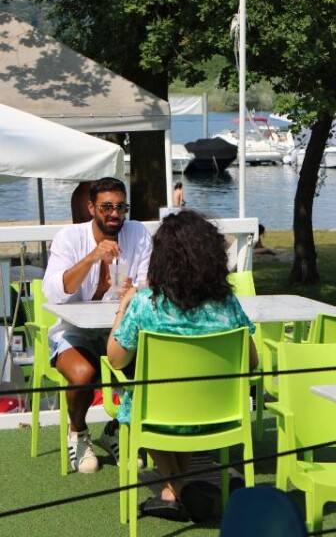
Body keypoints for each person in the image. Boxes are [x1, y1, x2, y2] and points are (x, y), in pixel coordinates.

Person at [107, 209, 258, 522]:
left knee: (143, 399)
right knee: (169, 400)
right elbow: (252, 360)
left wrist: (122, 307)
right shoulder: (228, 305)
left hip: (158, 415)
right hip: (217, 414)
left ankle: (176, 485)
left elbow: (116, 359)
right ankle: (174, 488)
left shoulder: (145, 305)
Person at [43, 177, 153, 474]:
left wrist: (135, 290)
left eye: (120, 207)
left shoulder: (138, 234)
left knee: (150, 368)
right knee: (83, 375)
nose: (115, 214)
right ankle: (78, 432)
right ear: (92, 207)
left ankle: (116, 430)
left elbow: (149, 284)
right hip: (74, 330)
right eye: (107, 207)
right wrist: (92, 258)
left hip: (120, 327)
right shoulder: (69, 238)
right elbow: (53, 291)